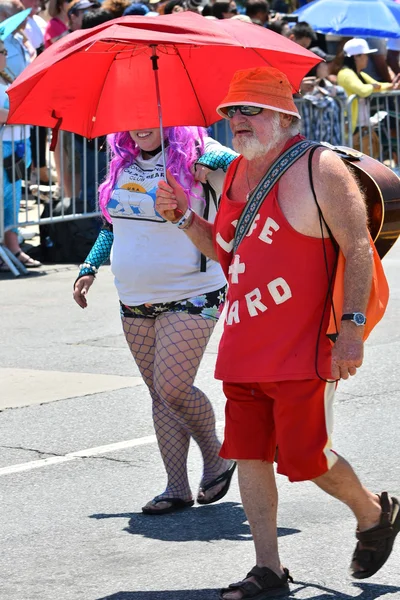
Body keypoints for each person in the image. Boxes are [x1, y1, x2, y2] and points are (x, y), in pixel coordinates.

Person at [155, 66, 400, 598]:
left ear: (285, 116)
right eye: (230, 111)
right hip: (244, 342)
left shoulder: (320, 167)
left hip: (304, 344)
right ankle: (268, 567)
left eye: (250, 110)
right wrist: (183, 218)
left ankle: (374, 512)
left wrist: (352, 329)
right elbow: (228, 257)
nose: (236, 121)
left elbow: (357, 247)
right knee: (249, 453)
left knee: (307, 458)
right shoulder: (235, 175)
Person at [73, 126, 238, 514]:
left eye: (149, 116)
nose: (141, 126)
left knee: (173, 388)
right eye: (133, 118)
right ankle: (175, 487)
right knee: (159, 396)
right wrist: (90, 265)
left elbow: (242, 168)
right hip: (134, 297)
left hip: (193, 291)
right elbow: (112, 225)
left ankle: (218, 455)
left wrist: (211, 161)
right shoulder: (124, 159)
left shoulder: (199, 149)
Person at [0, 16, 40, 269]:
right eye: (1, 51)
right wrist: (23, 114)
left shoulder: (8, 77)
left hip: (19, 145)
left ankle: (12, 247)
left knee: (12, 199)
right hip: (3, 146)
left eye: (4, 50)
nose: (5, 55)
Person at [337, 38, 398, 157]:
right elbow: (362, 90)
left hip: (362, 125)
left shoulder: (360, 74)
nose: (367, 59)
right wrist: (373, 86)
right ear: (356, 57)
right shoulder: (346, 73)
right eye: (365, 55)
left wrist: (392, 86)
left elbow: (377, 86)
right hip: (351, 126)